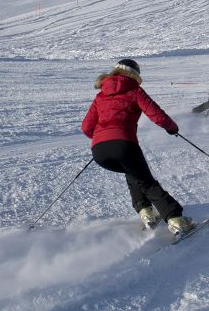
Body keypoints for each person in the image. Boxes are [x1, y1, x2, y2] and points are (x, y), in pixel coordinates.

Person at [81, 58, 194, 236]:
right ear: (134, 74)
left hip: (99, 151)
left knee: (133, 172)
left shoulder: (101, 95)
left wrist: (102, 138)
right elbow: (156, 114)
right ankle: (176, 220)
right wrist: (172, 128)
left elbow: (86, 127)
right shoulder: (134, 90)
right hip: (124, 145)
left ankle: (146, 212)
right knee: (147, 182)